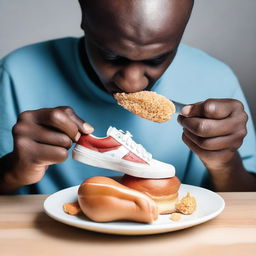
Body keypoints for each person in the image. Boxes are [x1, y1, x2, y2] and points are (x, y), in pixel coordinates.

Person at [0, 0, 256, 195]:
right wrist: (13, 170)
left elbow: (248, 207)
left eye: (157, 59)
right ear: (85, 21)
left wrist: (225, 163)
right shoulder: (18, 73)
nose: (132, 82)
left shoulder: (215, 79)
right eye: (112, 56)